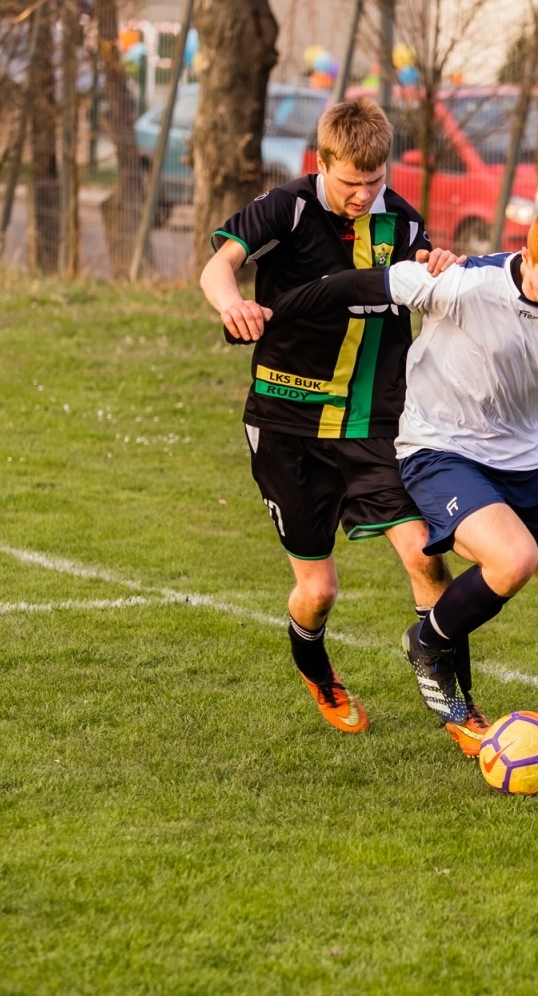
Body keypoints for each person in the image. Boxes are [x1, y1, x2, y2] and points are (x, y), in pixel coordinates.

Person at [261, 197, 538, 751]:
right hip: (440, 450)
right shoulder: (462, 284)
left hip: (528, 463)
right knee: (513, 560)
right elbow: (352, 287)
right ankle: (428, 643)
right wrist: (271, 315)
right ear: (528, 256)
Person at [202, 96, 465, 740]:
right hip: (287, 425)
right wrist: (232, 304)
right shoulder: (287, 207)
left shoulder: (401, 223)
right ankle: (316, 668)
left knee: (426, 558)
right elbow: (219, 266)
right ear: (323, 163)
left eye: (375, 182)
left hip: (375, 423)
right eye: (350, 183)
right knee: (317, 591)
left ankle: (460, 706)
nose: (362, 195)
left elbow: (429, 291)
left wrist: (441, 267)